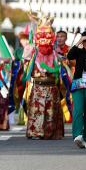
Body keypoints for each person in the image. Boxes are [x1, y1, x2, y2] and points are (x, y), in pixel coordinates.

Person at [22, 10, 69, 140]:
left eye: (47, 34)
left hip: (52, 87)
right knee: (36, 111)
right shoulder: (31, 49)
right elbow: (24, 65)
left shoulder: (55, 50)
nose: (43, 37)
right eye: (40, 34)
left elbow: (64, 64)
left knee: (51, 111)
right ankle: (35, 132)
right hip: (37, 87)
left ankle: (51, 133)